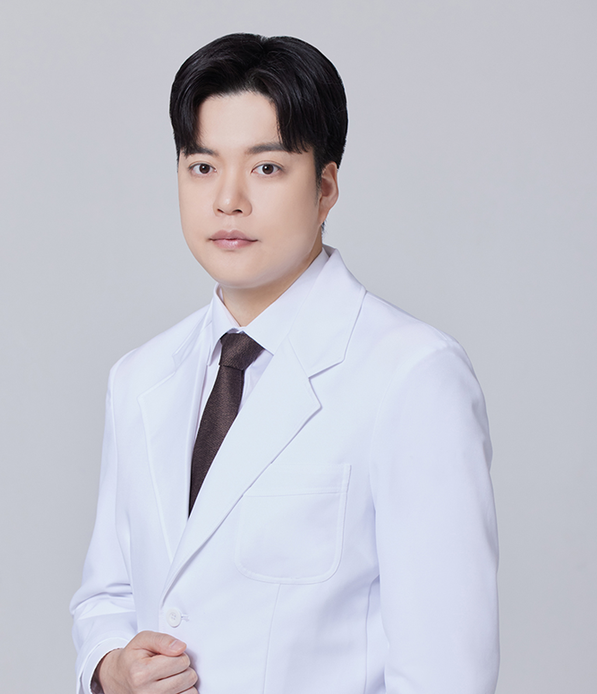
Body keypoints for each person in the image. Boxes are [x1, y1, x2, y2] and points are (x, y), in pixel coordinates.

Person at [70, 33, 499, 694]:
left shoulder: (412, 376)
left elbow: (445, 673)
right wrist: (111, 669)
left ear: (325, 187)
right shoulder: (140, 377)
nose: (228, 200)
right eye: (202, 167)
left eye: (266, 168)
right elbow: (108, 595)